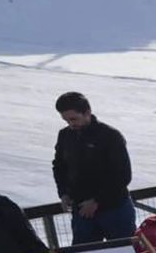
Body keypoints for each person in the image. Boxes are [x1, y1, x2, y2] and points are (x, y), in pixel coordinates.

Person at [52, 92, 135, 244]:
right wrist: (63, 193)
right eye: (66, 120)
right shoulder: (65, 135)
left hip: (115, 209)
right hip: (81, 211)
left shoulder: (110, 136)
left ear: (87, 112)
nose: (70, 124)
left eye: (73, 119)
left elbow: (123, 175)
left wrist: (97, 201)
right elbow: (59, 167)